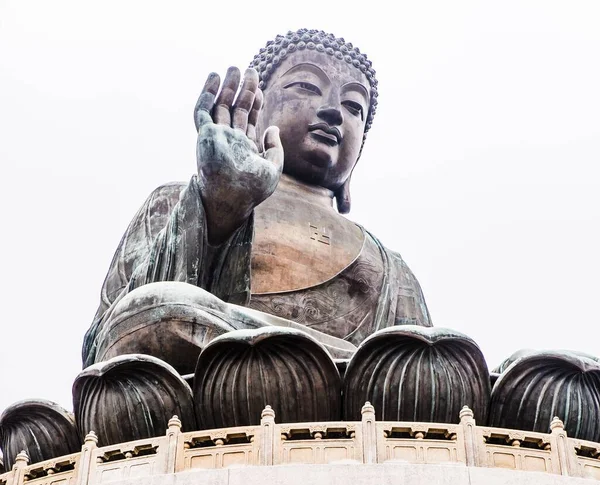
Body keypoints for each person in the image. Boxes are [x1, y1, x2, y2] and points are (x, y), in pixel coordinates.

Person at [82, 29, 432, 376]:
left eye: (353, 106)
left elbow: (420, 363)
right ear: (254, 110)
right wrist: (221, 201)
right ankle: (322, 369)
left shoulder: (390, 267)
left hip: (359, 389)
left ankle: (332, 369)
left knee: (430, 364)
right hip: (216, 381)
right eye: (307, 87)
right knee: (151, 312)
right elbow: (109, 342)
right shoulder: (177, 200)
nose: (333, 112)